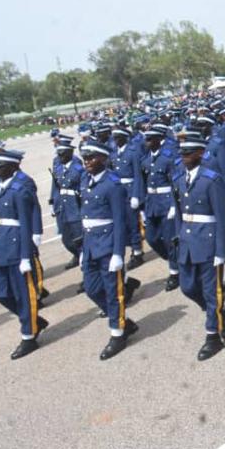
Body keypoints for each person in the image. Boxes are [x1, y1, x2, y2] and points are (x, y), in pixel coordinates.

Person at [172, 132, 225, 361]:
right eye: (181, 153)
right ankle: (223, 311)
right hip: (188, 242)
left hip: (208, 242)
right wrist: (179, 237)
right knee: (187, 287)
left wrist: (221, 250)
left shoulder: (211, 179)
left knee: (211, 292)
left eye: (188, 153)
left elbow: (221, 216)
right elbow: (179, 213)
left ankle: (212, 336)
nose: (184, 157)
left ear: (200, 153)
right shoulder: (180, 179)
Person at [78, 140, 140, 360]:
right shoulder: (85, 180)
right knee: (92, 288)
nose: (87, 161)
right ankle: (122, 319)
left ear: (104, 159)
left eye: (92, 157)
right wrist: (84, 250)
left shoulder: (112, 184)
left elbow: (120, 221)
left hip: (107, 244)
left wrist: (117, 253)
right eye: (85, 157)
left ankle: (118, 333)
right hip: (91, 244)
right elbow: (86, 218)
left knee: (114, 293)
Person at [0, 149, 47, 359]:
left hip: (15, 248)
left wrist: (25, 255)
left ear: (12, 167)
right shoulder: (3, 188)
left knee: (24, 295)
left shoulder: (20, 189)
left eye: (0, 167)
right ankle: (32, 319)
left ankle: (29, 336)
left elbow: (25, 224)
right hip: (0, 247)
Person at [140, 124, 180, 291]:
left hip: (165, 201)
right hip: (152, 202)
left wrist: (173, 205)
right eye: (146, 139)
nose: (146, 142)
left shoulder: (168, 157)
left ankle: (174, 272)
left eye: (150, 139)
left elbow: (175, 183)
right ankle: (175, 260)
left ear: (158, 140)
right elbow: (143, 182)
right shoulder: (146, 159)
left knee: (170, 239)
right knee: (152, 238)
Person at [110, 127, 146, 269]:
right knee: (122, 222)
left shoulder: (132, 152)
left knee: (133, 223)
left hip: (130, 190)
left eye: (119, 137)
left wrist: (136, 195)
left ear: (125, 138)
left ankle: (137, 252)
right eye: (115, 138)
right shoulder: (114, 155)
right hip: (119, 191)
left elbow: (138, 176)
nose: (116, 140)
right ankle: (131, 248)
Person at [50, 136, 84, 269]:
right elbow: (55, 187)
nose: (59, 157)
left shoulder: (78, 168)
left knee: (80, 238)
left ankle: (85, 262)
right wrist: (53, 203)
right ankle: (78, 255)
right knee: (66, 240)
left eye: (62, 153)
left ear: (70, 152)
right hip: (63, 207)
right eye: (58, 154)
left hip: (75, 207)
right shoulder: (59, 169)